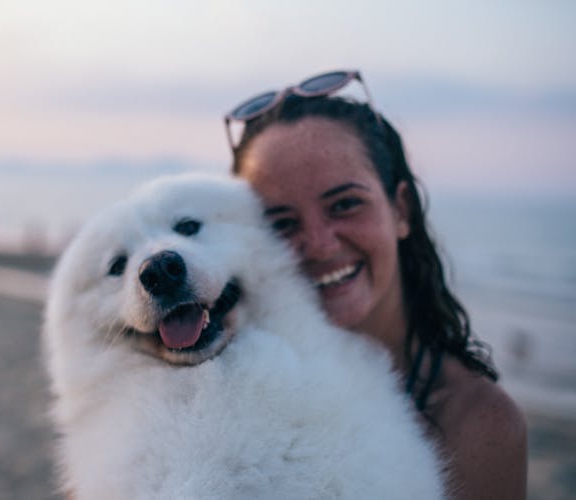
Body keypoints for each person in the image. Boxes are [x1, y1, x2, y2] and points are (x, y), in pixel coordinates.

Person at [224, 70, 527, 499]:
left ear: (400, 210)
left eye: (345, 204)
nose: (320, 245)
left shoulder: (475, 423)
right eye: (281, 223)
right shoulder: (218, 396)